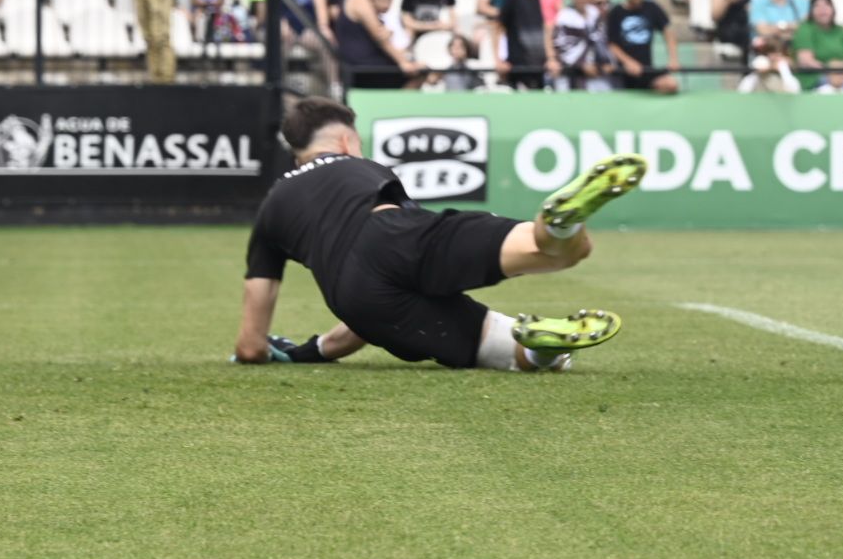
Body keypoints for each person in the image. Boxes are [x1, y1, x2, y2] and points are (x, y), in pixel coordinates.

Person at [234, 97, 645, 372]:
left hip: (352, 295)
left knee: (493, 346)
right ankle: (560, 225)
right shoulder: (367, 169)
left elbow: (250, 346)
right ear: (346, 140)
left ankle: (542, 349)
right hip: (396, 230)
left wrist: (307, 351)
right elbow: (393, 256)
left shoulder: (273, 204)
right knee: (558, 250)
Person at [336, 0, 423, 89]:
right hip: (362, 65)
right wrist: (404, 63)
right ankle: (398, 106)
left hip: (364, 62)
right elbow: (379, 36)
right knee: (419, 73)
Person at [606, 0, 680, 94]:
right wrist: (628, 62)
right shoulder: (616, 12)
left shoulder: (652, 8)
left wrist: (673, 59)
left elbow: (668, 31)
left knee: (670, 85)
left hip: (646, 70)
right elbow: (612, 44)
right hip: (622, 73)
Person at [493, 0, 559, 89]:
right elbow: (497, 28)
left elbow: (544, 30)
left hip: (538, 68)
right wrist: (498, 60)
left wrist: (550, 58)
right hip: (519, 69)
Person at [554, 0, 614, 90]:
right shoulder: (564, 16)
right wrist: (582, 65)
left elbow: (600, 39)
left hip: (596, 72)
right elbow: (561, 46)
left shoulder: (594, 13)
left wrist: (606, 61)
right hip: (570, 75)